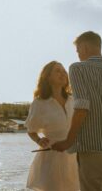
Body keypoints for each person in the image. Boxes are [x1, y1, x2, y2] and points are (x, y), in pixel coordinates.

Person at [52, 31, 102, 191]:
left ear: (85, 47)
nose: (79, 55)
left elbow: (82, 106)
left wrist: (68, 142)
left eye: (78, 50)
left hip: (91, 151)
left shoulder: (78, 68)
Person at [25, 61, 80, 191]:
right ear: (47, 77)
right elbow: (31, 129)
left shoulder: (74, 100)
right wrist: (39, 140)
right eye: (57, 71)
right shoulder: (40, 103)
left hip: (74, 157)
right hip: (51, 157)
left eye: (64, 71)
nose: (63, 74)